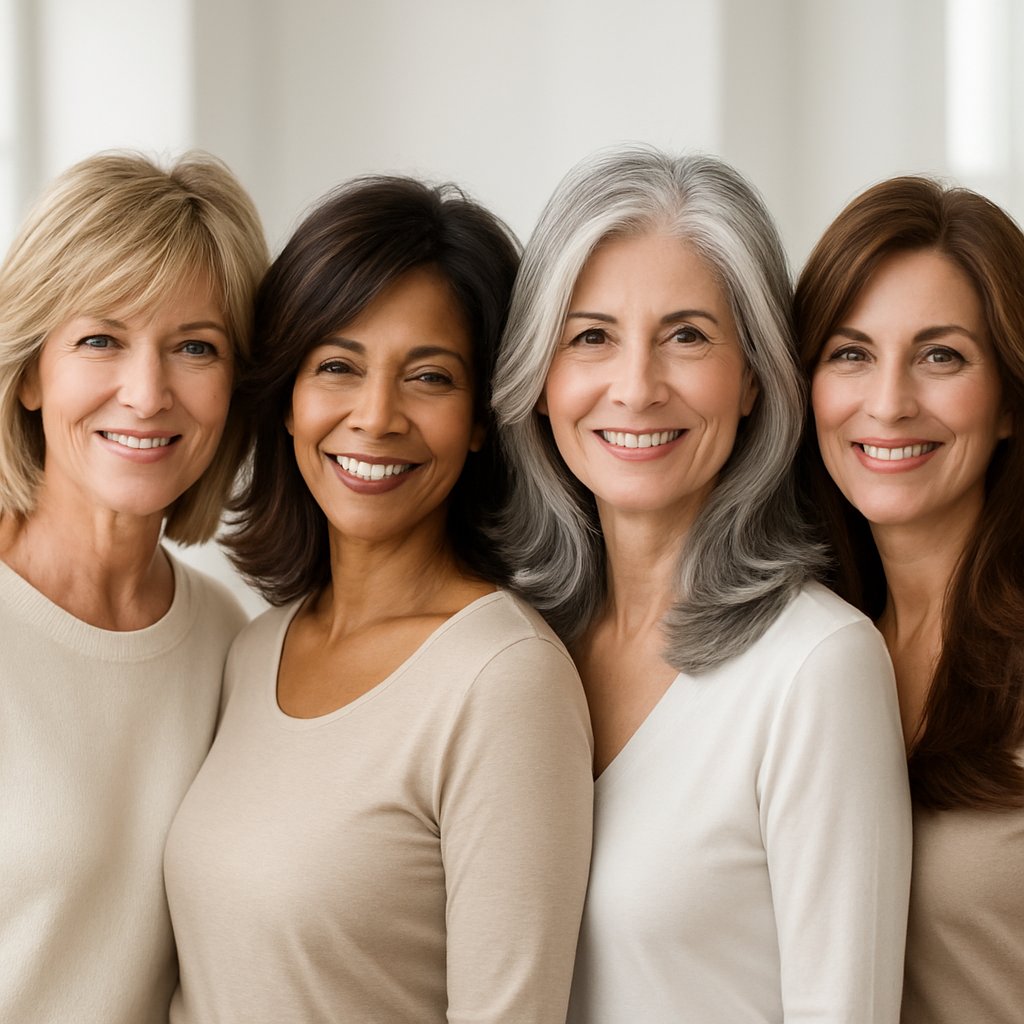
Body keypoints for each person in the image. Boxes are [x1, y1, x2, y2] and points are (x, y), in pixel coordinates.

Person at [492, 145, 912, 1023]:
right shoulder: (509, 645)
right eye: (592, 337)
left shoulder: (817, 667)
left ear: (755, 376)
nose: (636, 388)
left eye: (687, 336)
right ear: (539, 378)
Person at [163, 176, 594, 1024]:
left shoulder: (504, 682)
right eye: (338, 367)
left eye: (428, 377)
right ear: (287, 399)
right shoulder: (254, 648)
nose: (375, 415)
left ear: (480, 418)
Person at [0, 151, 268, 1023]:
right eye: (100, 340)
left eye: (195, 347)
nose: (147, 393)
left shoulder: (231, 641)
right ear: (32, 371)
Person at [796, 176, 1024, 1024]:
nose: (888, 403)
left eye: (942, 356)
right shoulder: (803, 651)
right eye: (850, 353)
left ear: (1008, 401)